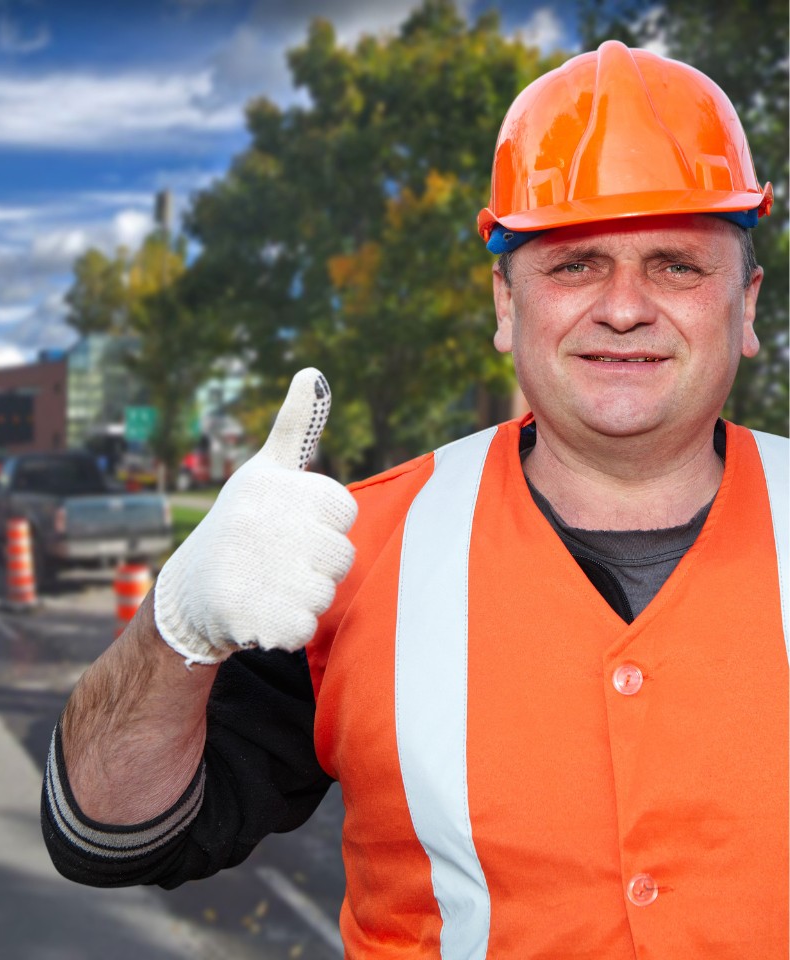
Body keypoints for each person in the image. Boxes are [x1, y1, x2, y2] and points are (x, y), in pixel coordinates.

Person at [41, 40, 787, 958]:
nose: (625, 306)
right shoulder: (361, 552)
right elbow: (109, 836)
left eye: (676, 264)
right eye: (574, 265)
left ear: (746, 306)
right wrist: (177, 633)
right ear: (506, 306)